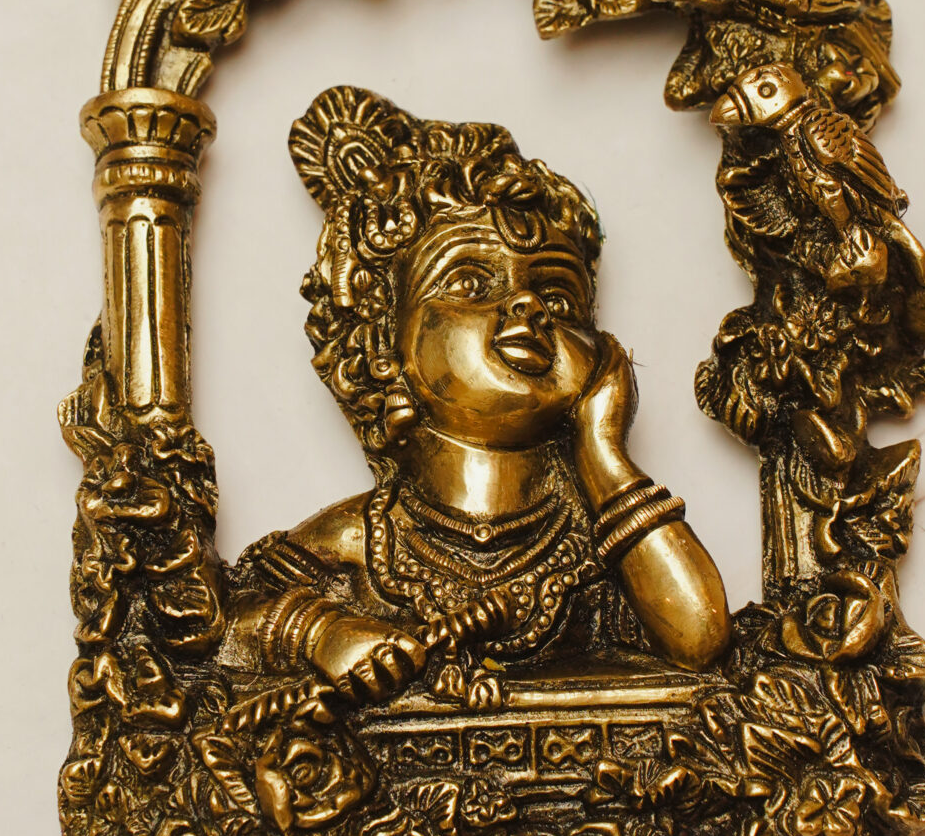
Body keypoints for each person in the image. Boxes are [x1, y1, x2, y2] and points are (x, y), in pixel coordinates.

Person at [224, 85, 730, 712]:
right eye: (469, 283)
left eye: (559, 297)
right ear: (383, 340)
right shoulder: (355, 543)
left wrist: (604, 453)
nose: (529, 307)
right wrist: (321, 632)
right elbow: (225, 624)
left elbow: (700, 638)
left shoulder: (601, 547)